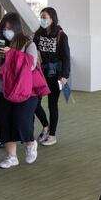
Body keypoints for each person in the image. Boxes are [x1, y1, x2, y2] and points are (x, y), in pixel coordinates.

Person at [0, 12, 49, 169]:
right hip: (3, 90)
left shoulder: (28, 43)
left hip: (26, 90)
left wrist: (11, 54)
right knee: (5, 123)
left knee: (21, 120)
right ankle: (11, 156)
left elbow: (30, 64)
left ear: (17, 28)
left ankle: (30, 144)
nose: (6, 31)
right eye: (4, 28)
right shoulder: (0, 43)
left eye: (9, 28)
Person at [33, 7, 70, 146]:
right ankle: (46, 126)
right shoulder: (38, 34)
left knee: (52, 104)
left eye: (45, 17)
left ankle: (52, 135)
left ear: (52, 19)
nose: (42, 20)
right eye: (41, 17)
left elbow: (66, 57)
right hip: (40, 74)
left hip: (55, 74)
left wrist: (65, 75)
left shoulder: (61, 35)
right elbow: (32, 50)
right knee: (34, 103)